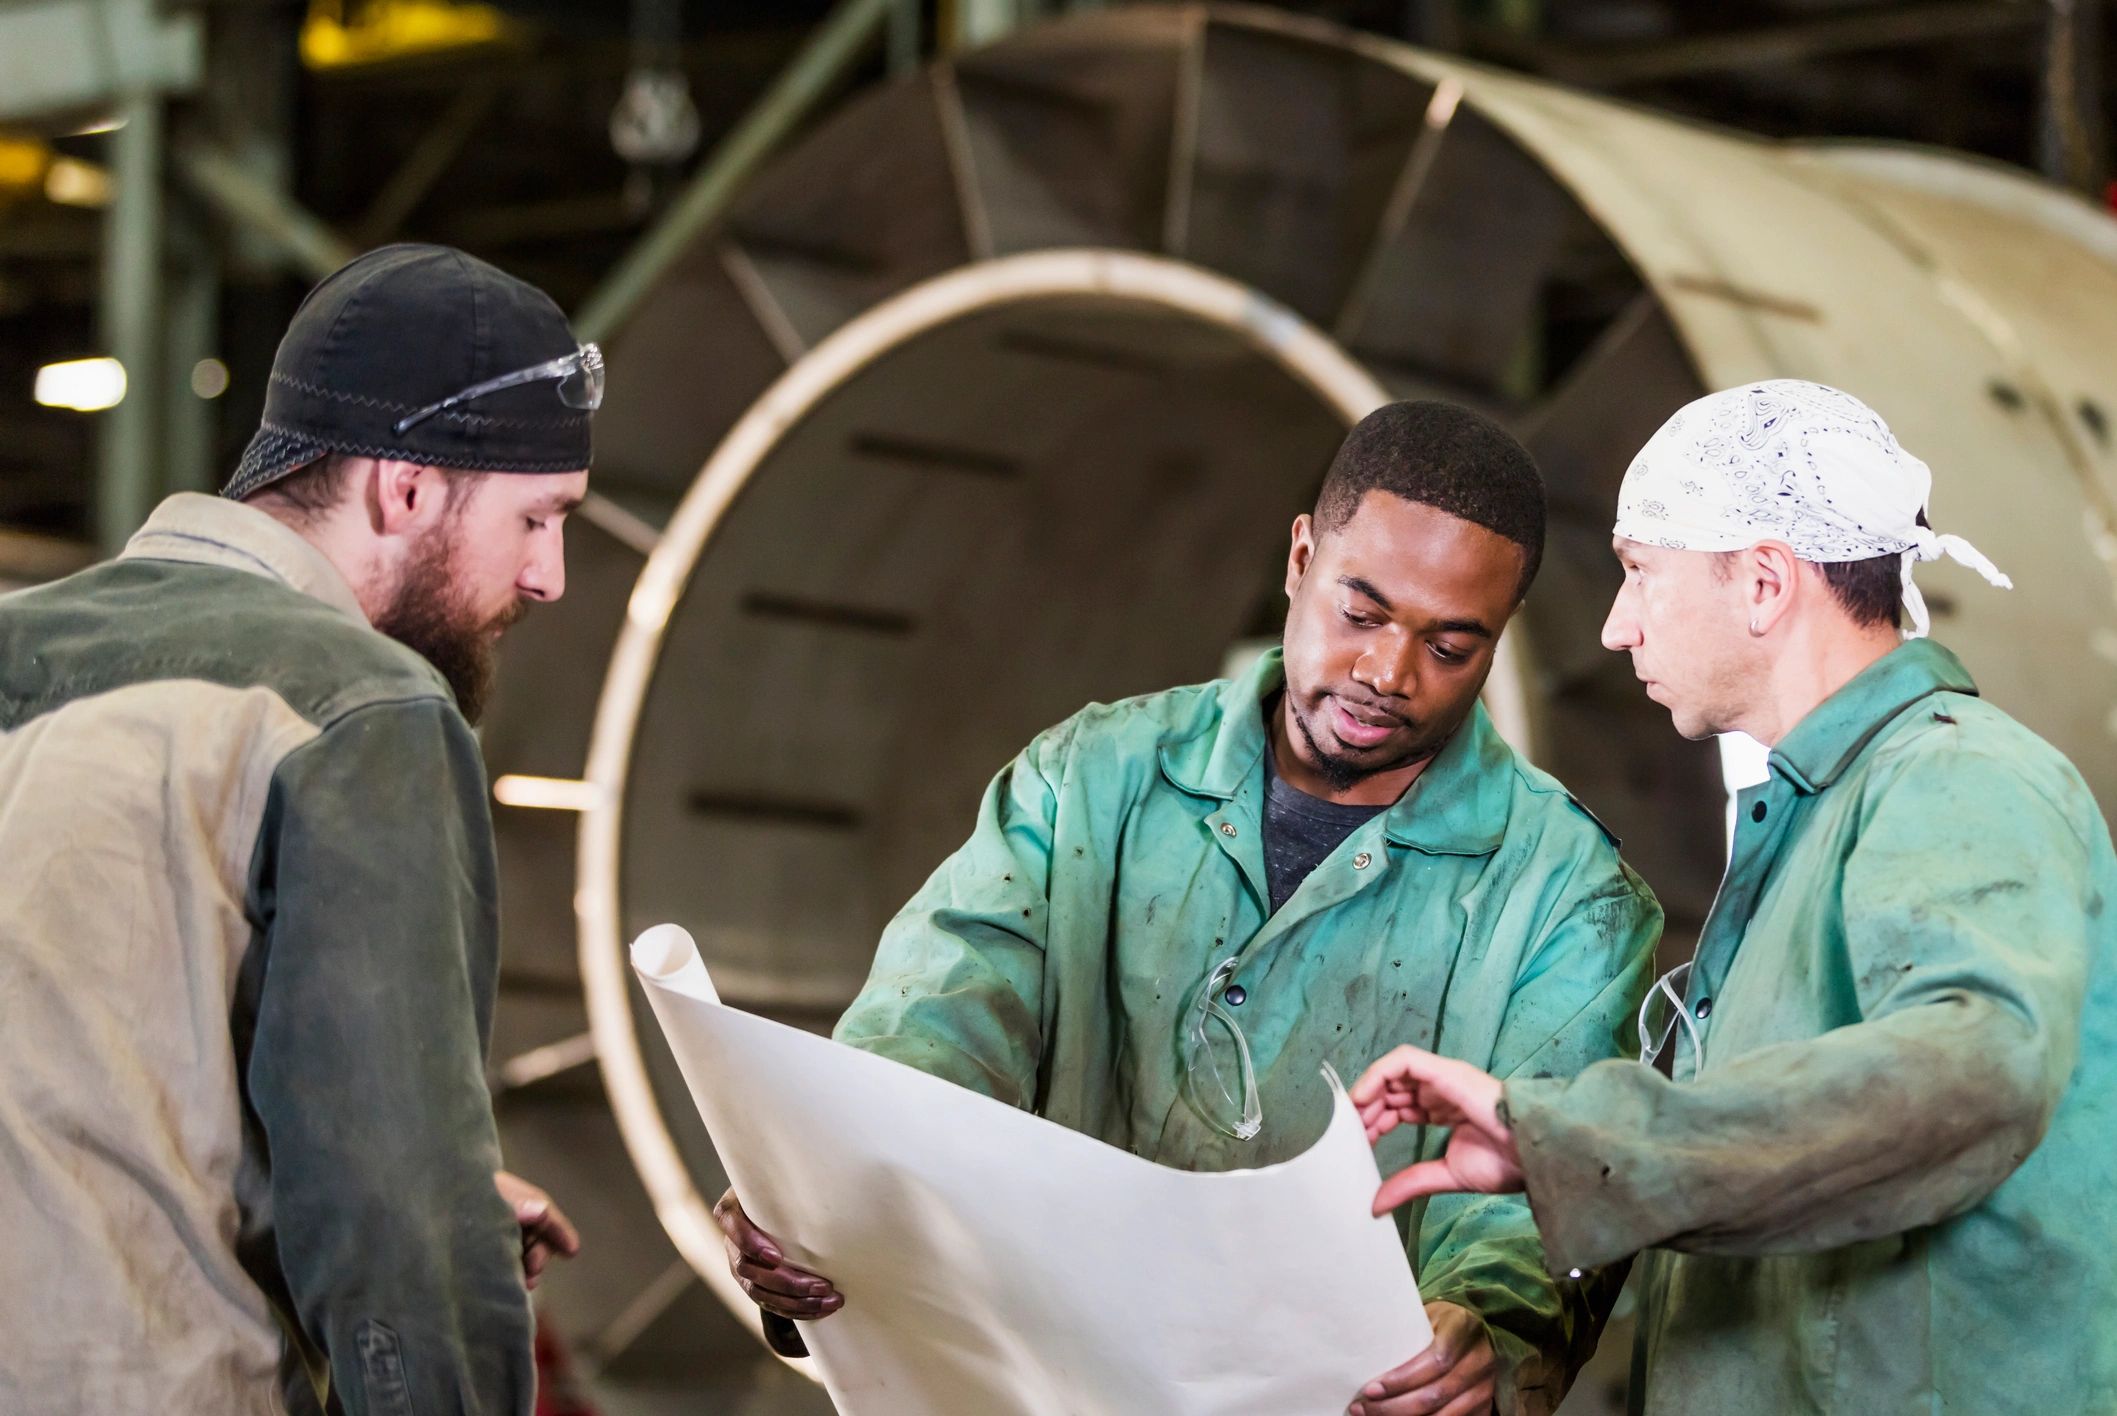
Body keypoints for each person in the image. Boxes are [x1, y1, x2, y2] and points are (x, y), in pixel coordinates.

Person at [716, 401, 1664, 1415]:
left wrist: (1481, 1332)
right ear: (1300, 559)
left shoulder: (1568, 901)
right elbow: (942, 1015)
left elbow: (1535, 1193)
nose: (1386, 674)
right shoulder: (1088, 780)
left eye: (1448, 647)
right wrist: (823, 1189)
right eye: (1361, 611)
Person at [1352, 380, 2117, 1415]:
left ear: (1761, 583)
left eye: (1638, 573)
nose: (1617, 628)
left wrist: (1577, 1139)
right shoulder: (1812, 823)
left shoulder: (1957, 780)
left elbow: (1977, 1067)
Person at [0, 244, 595, 1415]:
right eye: (536, 519)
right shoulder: (359, 710)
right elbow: (398, 1226)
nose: (549, 577)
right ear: (406, 489)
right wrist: (438, 1231)